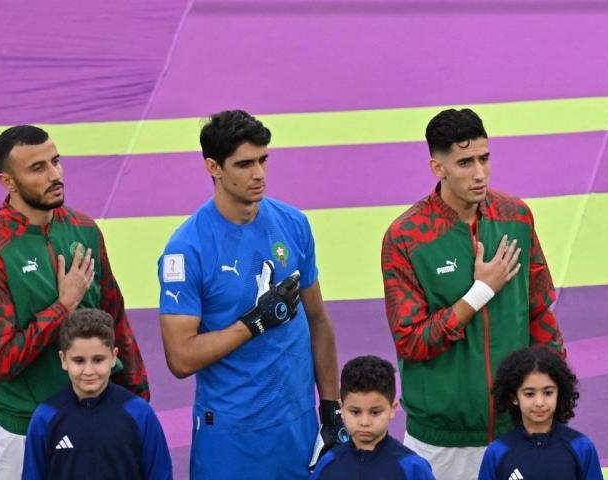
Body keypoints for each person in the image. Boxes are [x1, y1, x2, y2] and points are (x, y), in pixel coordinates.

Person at [380, 108, 565, 479]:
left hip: (517, 429)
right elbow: (412, 341)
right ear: (438, 168)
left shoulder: (517, 217)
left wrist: (553, 396)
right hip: (443, 442)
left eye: (484, 158)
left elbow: (538, 313)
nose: (479, 173)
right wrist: (480, 292)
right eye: (465, 162)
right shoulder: (406, 237)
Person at [156, 110, 342, 479]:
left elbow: (318, 319)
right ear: (214, 167)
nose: (258, 174)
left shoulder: (293, 223)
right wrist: (253, 324)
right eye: (244, 164)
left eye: (263, 160)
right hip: (230, 435)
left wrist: (331, 408)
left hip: (298, 424)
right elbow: (180, 358)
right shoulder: (187, 249)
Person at [0, 125, 149, 479]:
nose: (55, 175)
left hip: (98, 415)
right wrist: (64, 306)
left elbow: (116, 320)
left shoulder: (84, 229)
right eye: (37, 168)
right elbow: (3, 361)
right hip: (26, 427)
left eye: (56, 161)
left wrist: (137, 400)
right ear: (8, 182)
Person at [22, 309, 172, 479]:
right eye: (79, 361)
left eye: (98, 360)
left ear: (114, 357)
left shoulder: (139, 413)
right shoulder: (45, 417)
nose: (88, 371)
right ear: (63, 359)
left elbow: (160, 474)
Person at [479, 346, 603, 480]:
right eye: (529, 394)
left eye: (548, 392)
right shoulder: (497, 453)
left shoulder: (581, 447)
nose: (539, 402)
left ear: (559, 393)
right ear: (514, 397)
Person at [310, 355, 435, 480]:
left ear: (393, 409)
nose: (365, 422)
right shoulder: (329, 463)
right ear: (342, 408)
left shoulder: (412, 468)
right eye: (355, 412)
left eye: (375, 413)